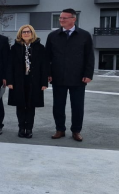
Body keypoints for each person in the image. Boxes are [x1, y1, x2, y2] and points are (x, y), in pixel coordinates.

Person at [46, 8, 94, 142]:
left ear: (74, 19)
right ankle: (60, 129)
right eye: (60, 18)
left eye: (64, 18)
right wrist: (48, 73)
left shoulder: (84, 35)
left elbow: (89, 56)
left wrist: (88, 74)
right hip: (58, 77)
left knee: (77, 106)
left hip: (78, 78)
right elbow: (47, 57)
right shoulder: (53, 36)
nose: (61, 20)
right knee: (58, 106)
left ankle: (76, 131)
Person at [7, 25, 48, 138]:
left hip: (34, 80)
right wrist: (9, 81)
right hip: (18, 80)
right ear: (20, 34)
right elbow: (9, 65)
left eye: (28, 31)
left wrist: (44, 82)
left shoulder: (40, 48)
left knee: (31, 105)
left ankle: (29, 128)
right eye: (23, 32)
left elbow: (44, 66)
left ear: (32, 33)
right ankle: (21, 127)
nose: (26, 33)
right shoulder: (14, 48)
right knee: (20, 105)